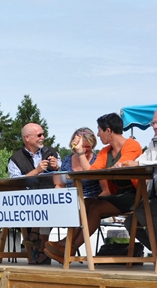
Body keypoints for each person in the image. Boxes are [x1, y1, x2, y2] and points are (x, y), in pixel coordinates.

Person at [44, 113, 143, 263]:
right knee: (87, 203)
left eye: (99, 130)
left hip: (135, 195)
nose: (98, 134)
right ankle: (67, 245)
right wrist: (80, 152)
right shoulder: (105, 151)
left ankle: (70, 248)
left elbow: (120, 168)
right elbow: (91, 173)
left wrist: (109, 168)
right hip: (119, 195)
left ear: (108, 131)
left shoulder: (132, 145)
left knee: (96, 208)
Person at [8, 123, 61, 265]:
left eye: (43, 134)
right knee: (45, 205)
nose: (43, 137)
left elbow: (65, 173)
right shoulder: (15, 159)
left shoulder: (52, 152)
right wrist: (36, 171)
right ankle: (41, 248)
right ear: (27, 138)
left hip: (51, 199)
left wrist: (57, 167)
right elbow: (15, 182)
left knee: (48, 204)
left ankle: (37, 238)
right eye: (39, 135)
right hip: (26, 202)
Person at [123, 108, 157, 250]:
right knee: (131, 222)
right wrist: (126, 163)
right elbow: (143, 158)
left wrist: (137, 163)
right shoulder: (153, 142)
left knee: (142, 213)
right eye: (153, 123)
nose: (154, 126)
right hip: (152, 197)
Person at [59, 127, 102, 198]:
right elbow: (60, 186)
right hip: (71, 200)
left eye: (87, 146)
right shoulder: (67, 160)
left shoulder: (97, 159)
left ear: (93, 145)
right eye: (81, 147)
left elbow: (106, 190)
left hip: (93, 200)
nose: (84, 150)